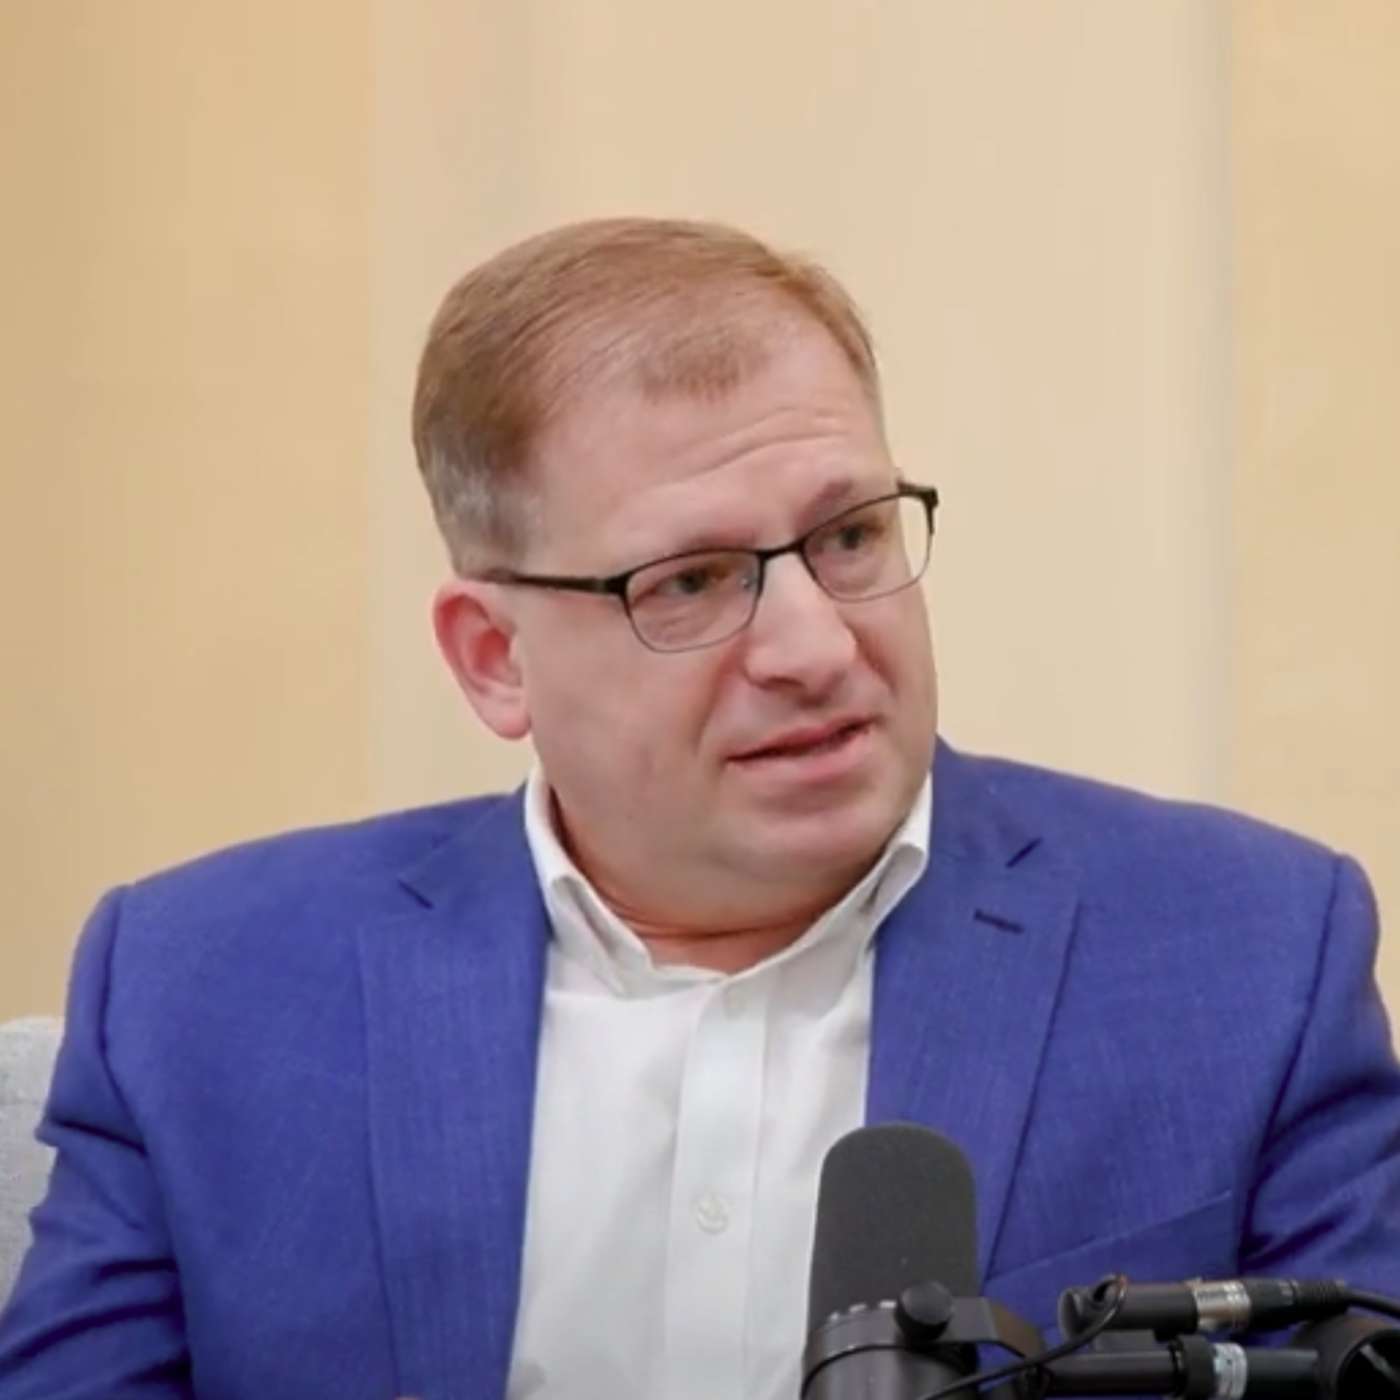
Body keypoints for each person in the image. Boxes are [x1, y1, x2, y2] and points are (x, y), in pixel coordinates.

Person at [1, 218, 1398, 1400]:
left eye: (850, 536)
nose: (814, 645)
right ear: (494, 659)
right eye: (689, 582)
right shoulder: (202, 997)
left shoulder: (1247, 958)